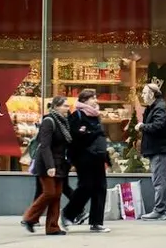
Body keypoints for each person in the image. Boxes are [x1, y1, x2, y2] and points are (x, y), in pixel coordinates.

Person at [62, 89, 111, 233]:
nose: (95, 100)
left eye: (95, 97)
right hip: (84, 157)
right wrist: (88, 133)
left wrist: (106, 158)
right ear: (84, 101)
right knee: (86, 187)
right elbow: (72, 137)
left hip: (98, 157)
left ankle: (96, 222)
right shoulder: (77, 115)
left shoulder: (96, 116)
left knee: (100, 188)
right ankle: (68, 214)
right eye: (92, 98)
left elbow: (100, 136)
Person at [22, 96, 72, 235]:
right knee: (49, 192)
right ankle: (29, 218)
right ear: (56, 107)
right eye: (65, 106)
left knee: (56, 195)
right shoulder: (49, 121)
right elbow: (45, 146)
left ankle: (52, 227)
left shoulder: (64, 123)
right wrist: (50, 166)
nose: (68, 108)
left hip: (60, 163)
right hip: (46, 163)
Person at [136, 81, 166, 221]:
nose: (142, 95)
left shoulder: (160, 108)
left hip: (161, 149)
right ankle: (161, 209)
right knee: (158, 180)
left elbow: (158, 126)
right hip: (157, 149)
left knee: (159, 181)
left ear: (152, 94)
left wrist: (142, 126)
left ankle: (161, 210)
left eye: (145, 92)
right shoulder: (154, 107)